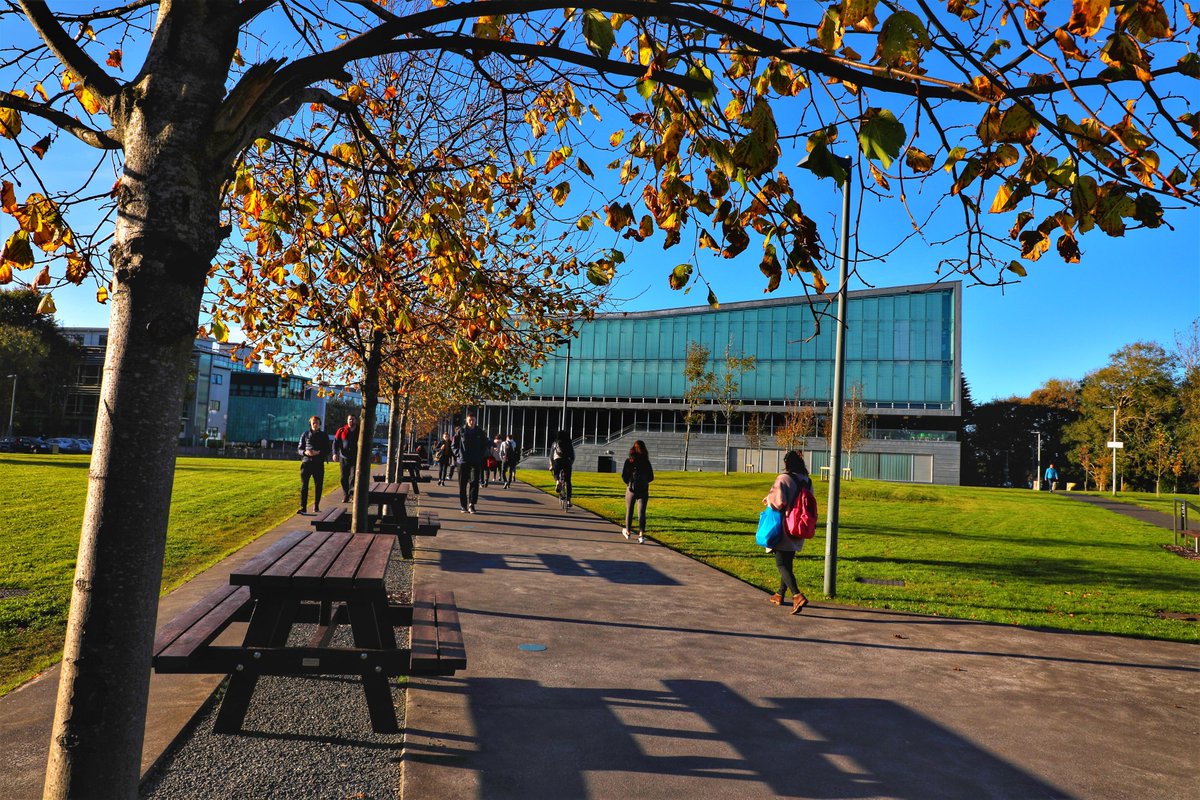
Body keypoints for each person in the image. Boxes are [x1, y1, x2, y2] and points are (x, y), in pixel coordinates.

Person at [763, 450, 811, 615]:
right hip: (799, 526)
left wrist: (767, 500)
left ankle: (797, 595)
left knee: (781, 563)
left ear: (787, 463)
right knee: (787, 561)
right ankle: (779, 594)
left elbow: (776, 502)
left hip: (784, 526)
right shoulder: (807, 481)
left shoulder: (783, 479)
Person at [452, 414, 488, 513]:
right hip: (462, 461)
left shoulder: (480, 432)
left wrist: (480, 456)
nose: (471, 422)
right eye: (469, 420)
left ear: (475, 421)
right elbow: (454, 445)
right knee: (462, 484)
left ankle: (471, 504)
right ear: (466, 421)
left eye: (473, 420)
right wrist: (458, 454)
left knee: (474, 482)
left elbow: (484, 445)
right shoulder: (461, 431)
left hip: (475, 461)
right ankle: (463, 505)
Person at [620, 440, 654, 544]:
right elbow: (651, 477)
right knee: (642, 513)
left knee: (629, 511)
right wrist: (644, 482)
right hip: (643, 490)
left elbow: (624, 476)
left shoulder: (629, 461)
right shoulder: (646, 462)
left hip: (631, 489)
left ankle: (628, 531)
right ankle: (641, 535)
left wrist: (629, 483)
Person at [297, 415, 331, 515]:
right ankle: (303, 508)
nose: (315, 424)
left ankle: (316, 506)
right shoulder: (305, 434)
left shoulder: (324, 435)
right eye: (313, 423)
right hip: (306, 462)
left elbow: (328, 450)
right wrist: (305, 452)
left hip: (318, 463)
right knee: (304, 486)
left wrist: (318, 452)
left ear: (320, 424)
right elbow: (299, 449)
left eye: (317, 423)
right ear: (310, 424)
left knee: (318, 485)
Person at [333, 414, 359, 502]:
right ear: (347, 420)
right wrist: (334, 453)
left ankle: (352, 495)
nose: (351, 421)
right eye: (349, 419)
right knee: (343, 477)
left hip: (355, 458)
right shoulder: (341, 430)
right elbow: (335, 443)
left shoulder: (359, 431)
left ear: (356, 420)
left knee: (353, 477)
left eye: (353, 419)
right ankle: (345, 495)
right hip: (344, 457)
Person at [549, 430, 575, 507]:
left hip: (557, 461)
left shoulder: (555, 443)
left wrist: (551, 465)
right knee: (568, 480)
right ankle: (569, 500)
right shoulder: (569, 443)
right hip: (567, 461)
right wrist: (570, 463)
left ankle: (557, 482)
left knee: (555, 473)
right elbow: (573, 455)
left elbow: (551, 455)